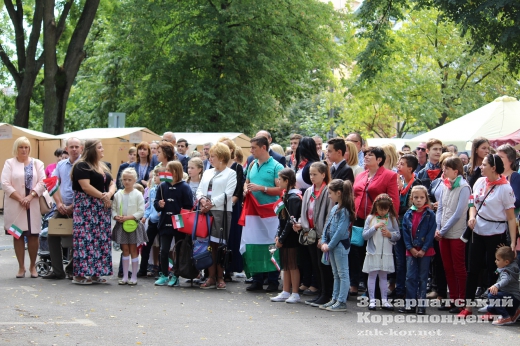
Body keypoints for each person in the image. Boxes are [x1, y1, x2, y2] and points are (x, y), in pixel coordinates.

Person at [458, 154, 517, 318]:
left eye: (484, 164)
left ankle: (492, 308)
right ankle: (468, 307)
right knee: (472, 269)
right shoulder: (479, 182)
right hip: (477, 230)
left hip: (496, 232)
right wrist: (471, 216)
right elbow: (472, 202)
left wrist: (513, 241)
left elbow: (511, 218)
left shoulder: (505, 188)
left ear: (493, 167)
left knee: (494, 270)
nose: (480, 167)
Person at [351, 146, 400, 296]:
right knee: (358, 252)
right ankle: (362, 285)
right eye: (365, 155)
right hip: (359, 219)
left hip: (378, 221)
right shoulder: (361, 175)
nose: (366, 157)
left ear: (379, 159)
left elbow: (394, 200)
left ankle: (375, 291)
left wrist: (390, 221)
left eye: (370, 155)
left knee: (374, 253)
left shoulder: (389, 175)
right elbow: (355, 195)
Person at [71, 139, 116, 285]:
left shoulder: (104, 166)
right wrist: (104, 196)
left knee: (100, 240)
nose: (102, 149)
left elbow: (112, 183)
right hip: (86, 208)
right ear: (91, 150)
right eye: (99, 147)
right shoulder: (81, 166)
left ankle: (96, 273)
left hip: (101, 208)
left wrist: (108, 194)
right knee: (85, 240)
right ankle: (79, 275)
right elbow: (86, 187)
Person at [1, 136, 46, 278]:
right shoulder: (9, 163)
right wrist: (21, 198)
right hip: (16, 204)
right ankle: (21, 267)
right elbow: (5, 183)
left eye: (26, 147)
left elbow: (43, 182)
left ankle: (33, 266)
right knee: (17, 235)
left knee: (33, 236)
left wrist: (30, 196)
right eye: (21, 147)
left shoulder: (37, 163)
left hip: (32, 204)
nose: (24, 150)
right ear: (16, 148)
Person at [244, 135, 284, 292]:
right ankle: (257, 279)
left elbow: (281, 189)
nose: (251, 151)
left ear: (263, 148)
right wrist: (245, 190)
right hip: (254, 213)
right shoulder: (252, 164)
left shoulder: (276, 166)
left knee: (271, 244)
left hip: (270, 213)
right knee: (254, 243)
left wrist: (262, 188)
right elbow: (246, 183)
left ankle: (273, 280)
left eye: (254, 148)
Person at [196, 143, 237, 290]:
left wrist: (211, 203)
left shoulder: (231, 173)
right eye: (210, 156)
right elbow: (200, 190)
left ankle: (220, 277)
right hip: (205, 211)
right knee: (207, 245)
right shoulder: (207, 172)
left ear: (221, 157)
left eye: (213, 156)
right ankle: (210, 277)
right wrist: (202, 200)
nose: (210, 158)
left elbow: (228, 194)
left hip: (221, 212)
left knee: (219, 246)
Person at [294, 162, 334, 307]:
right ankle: (321, 293)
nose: (312, 177)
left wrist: (323, 236)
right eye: (310, 174)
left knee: (323, 265)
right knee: (315, 264)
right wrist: (300, 223)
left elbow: (329, 214)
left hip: (321, 234)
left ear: (323, 175)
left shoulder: (327, 191)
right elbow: (305, 212)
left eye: (315, 174)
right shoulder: (308, 191)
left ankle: (326, 293)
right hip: (309, 233)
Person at [43, 137, 83, 280]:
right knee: (51, 234)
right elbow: (51, 183)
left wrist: (73, 206)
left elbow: (85, 189)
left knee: (79, 237)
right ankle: (58, 271)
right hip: (61, 206)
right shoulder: (60, 165)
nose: (74, 149)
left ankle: (72, 268)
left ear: (81, 148)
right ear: (66, 149)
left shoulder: (84, 165)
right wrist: (59, 203)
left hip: (79, 208)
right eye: (71, 147)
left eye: (76, 146)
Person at [434, 157, 470, 313]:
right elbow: (440, 208)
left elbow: (458, 213)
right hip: (443, 233)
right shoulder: (444, 184)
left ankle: (462, 300)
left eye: (447, 168)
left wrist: (443, 229)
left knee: (459, 268)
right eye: (443, 168)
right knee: (447, 267)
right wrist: (438, 227)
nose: (444, 170)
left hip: (456, 233)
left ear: (456, 171)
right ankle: (453, 298)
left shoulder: (464, 187)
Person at [154, 161, 193, 286]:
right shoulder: (162, 186)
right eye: (166, 170)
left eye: (169, 170)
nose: (166, 173)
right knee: (164, 250)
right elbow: (156, 202)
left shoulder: (184, 187)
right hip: (165, 220)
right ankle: (164, 274)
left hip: (179, 220)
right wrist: (159, 205)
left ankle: (176, 275)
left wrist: (180, 212)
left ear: (176, 172)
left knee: (179, 249)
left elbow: (189, 205)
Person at [319, 179, 355, 312]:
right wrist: (323, 240)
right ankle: (334, 298)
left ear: (338, 193)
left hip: (339, 246)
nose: (329, 195)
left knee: (342, 273)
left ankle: (341, 300)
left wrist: (330, 245)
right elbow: (327, 225)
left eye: (330, 193)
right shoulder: (335, 208)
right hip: (331, 245)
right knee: (336, 274)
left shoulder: (344, 211)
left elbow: (340, 231)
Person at [399, 186, 436, 314]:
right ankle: (410, 304)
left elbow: (431, 233)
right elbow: (405, 233)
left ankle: (421, 305)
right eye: (416, 197)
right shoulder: (408, 214)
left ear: (426, 198)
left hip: (425, 252)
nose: (419, 200)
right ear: (411, 199)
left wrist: (424, 249)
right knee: (410, 277)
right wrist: (411, 248)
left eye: (421, 197)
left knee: (422, 278)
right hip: (411, 251)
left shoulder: (430, 214)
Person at [362, 194, 400, 311]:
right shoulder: (370, 218)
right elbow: (364, 235)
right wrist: (374, 228)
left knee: (384, 277)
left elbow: (397, 235)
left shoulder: (392, 219)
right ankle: (372, 300)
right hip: (373, 252)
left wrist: (390, 235)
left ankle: (384, 300)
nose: (383, 212)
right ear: (376, 207)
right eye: (380, 209)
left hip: (386, 253)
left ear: (389, 208)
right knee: (372, 275)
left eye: (386, 209)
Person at [391, 154, 421, 298]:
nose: (398, 166)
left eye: (402, 164)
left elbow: (412, 207)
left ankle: (410, 293)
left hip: (411, 229)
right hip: (399, 226)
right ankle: (399, 289)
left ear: (410, 168)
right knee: (399, 261)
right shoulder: (399, 183)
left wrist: (397, 208)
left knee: (410, 261)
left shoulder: (417, 184)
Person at [270, 168, 302, 303]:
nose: (278, 181)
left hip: (291, 237)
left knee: (292, 265)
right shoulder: (286, 195)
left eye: (280, 179)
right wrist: (278, 235)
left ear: (287, 181)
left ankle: (295, 292)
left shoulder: (294, 198)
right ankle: (285, 290)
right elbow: (281, 219)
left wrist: (281, 238)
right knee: (286, 265)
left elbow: (291, 221)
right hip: (284, 236)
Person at [111, 168, 147, 285]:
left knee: (133, 249)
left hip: (133, 225)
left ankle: (134, 277)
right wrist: (116, 217)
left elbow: (141, 211)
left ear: (134, 180)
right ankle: (125, 276)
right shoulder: (118, 194)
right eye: (124, 179)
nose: (126, 182)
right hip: (121, 225)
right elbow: (114, 209)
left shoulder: (138, 194)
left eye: (129, 180)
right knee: (125, 249)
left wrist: (128, 217)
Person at [218, 137, 245, 280]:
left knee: (232, 237)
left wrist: (230, 204)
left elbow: (239, 190)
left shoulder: (237, 167)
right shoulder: (217, 166)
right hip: (218, 207)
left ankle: (229, 269)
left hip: (232, 208)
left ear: (231, 150)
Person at [478, 246, 520, 325]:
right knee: (493, 298)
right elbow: (513, 256)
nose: (495, 261)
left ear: (507, 262)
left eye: (498, 260)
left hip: (512, 298)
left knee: (492, 295)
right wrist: (506, 250)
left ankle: (505, 317)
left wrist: (497, 285)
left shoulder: (506, 271)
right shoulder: (513, 264)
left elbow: (505, 280)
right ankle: (513, 312)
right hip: (514, 299)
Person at [137, 167, 165, 278]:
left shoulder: (165, 190)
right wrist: (145, 216)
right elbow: (149, 206)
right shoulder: (152, 190)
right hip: (153, 221)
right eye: (154, 176)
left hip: (162, 221)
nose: (155, 178)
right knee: (147, 245)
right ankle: (143, 269)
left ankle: (163, 270)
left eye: (157, 175)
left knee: (163, 247)